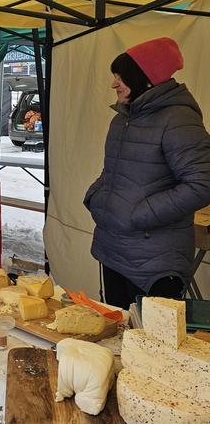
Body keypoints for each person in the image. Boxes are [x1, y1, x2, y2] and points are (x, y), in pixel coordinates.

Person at [84, 37, 210, 310]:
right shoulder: (122, 119)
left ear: (146, 78)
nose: (113, 84)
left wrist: (140, 214)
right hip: (114, 248)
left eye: (121, 77)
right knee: (118, 334)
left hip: (155, 259)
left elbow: (202, 183)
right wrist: (96, 196)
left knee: (150, 344)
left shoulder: (178, 119)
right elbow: (113, 171)